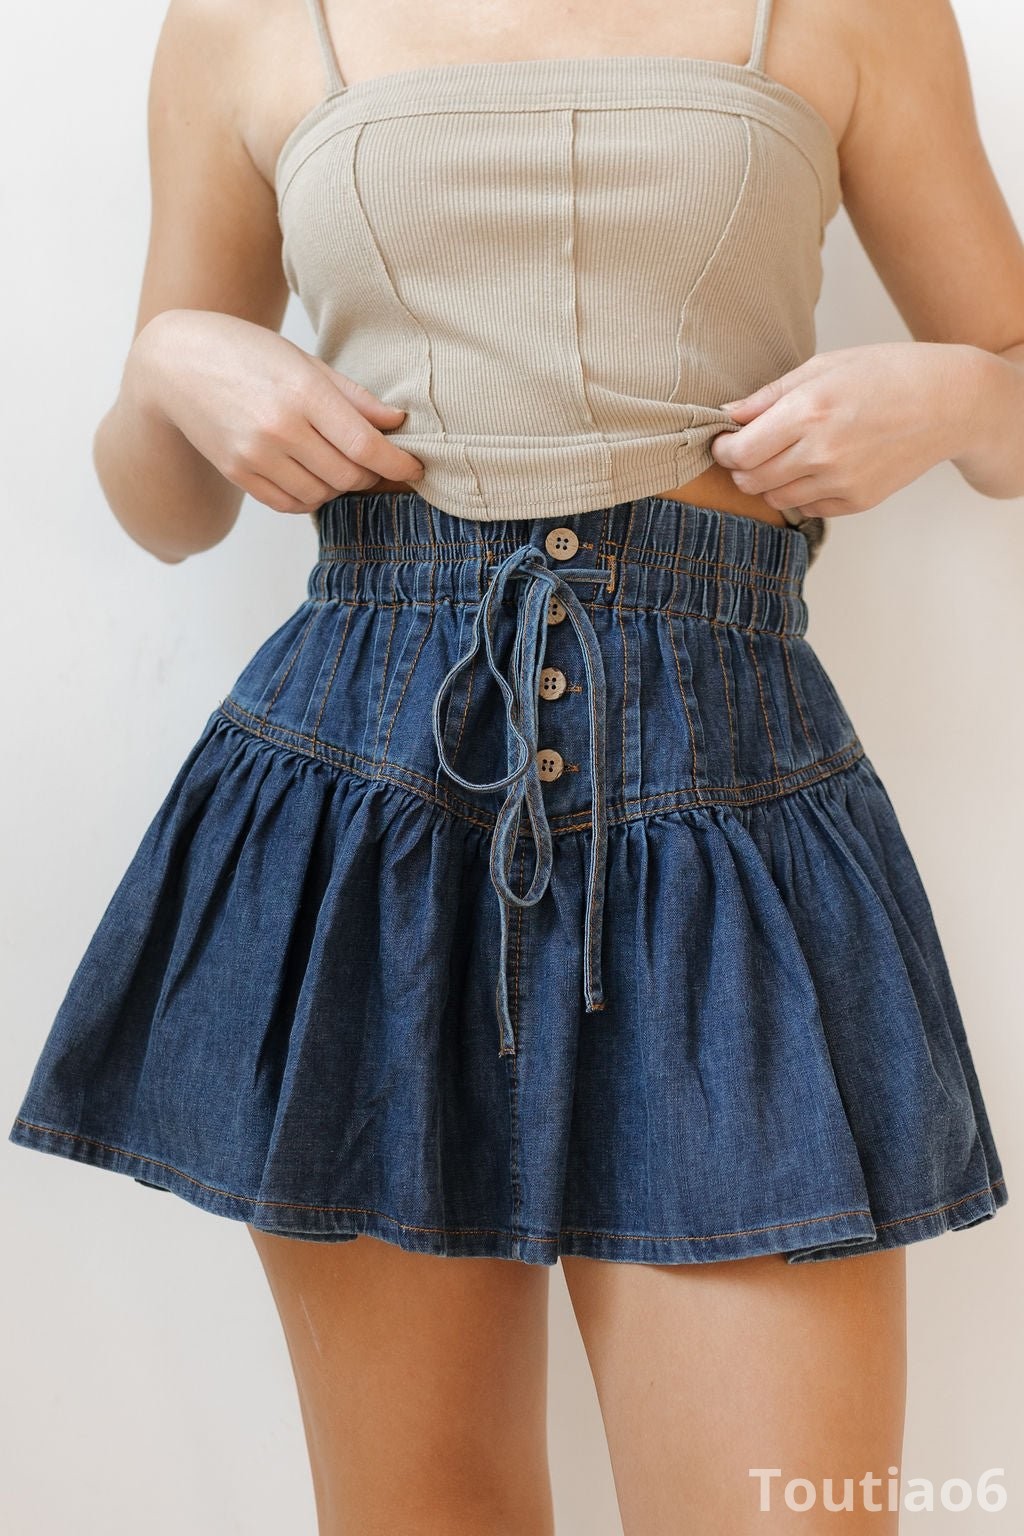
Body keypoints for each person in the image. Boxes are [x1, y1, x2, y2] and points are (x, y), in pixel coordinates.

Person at [9, 1, 1022, 1530]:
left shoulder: (851, 11)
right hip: (367, 794)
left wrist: (961, 395)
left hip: (726, 788)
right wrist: (166, 364)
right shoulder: (246, 22)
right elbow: (166, 513)